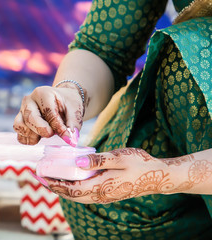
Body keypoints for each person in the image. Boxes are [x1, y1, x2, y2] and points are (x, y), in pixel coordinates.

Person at [13, 0, 212, 239]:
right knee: (102, 207)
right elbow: (103, 48)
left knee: (198, 46)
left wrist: (163, 176)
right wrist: (70, 93)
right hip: (186, 121)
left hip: (194, 96)